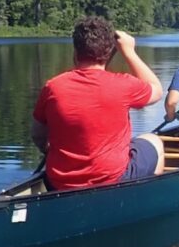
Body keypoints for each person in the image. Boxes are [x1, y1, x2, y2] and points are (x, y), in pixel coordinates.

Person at [31, 16, 165, 191]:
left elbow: (37, 134)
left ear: (76, 50)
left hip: (59, 183)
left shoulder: (53, 87)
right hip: (111, 179)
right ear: (109, 52)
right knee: (155, 142)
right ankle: (147, 199)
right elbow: (156, 90)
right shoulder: (123, 84)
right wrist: (129, 52)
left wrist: (48, 150)